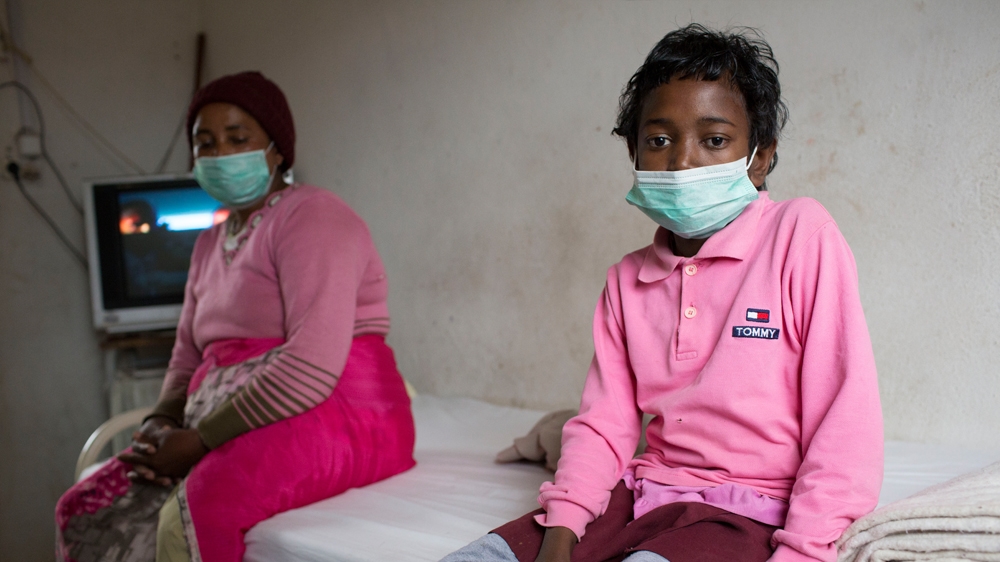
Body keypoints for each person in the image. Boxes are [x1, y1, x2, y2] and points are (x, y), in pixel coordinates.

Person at [442, 24, 882, 562]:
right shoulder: (626, 281)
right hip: (641, 494)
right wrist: (559, 537)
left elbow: (845, 421)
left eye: (715, 140)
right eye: (659, 140)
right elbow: (605, 425)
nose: (682, 161)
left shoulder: (800, 236)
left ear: (760, 158)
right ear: (634, 151)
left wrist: (804, 552)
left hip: (748, 511)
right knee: (481, 557)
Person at [56, 71, 416, 562]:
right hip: (238, 412)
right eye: (205, 143)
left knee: (204, 506)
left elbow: (311, 365)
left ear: (276, 149)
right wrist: (163, 421)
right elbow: (187, 352)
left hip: (343, 409)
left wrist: (200, 441)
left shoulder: (313, 217)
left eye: (238, 138)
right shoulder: (209, 242)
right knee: (88, 507)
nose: (220, 154)